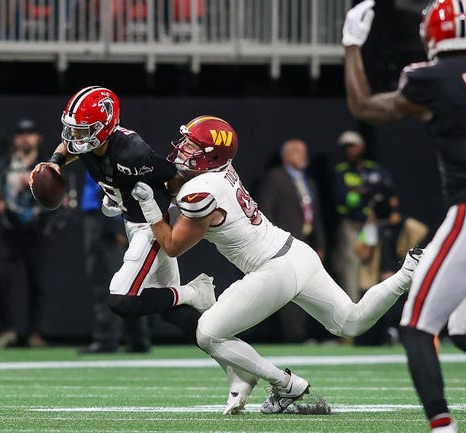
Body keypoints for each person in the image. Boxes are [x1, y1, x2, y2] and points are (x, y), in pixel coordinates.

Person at [130, 114, 423, 415]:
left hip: (273, 268)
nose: (181, 149)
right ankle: (407, 274)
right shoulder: (219, 172)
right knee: (351, 321)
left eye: (191, 146)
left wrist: (147, 205)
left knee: (208, 333)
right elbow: (178, 183)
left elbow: (173, 245)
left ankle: (284, 383)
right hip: (296, 252)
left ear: (210, 155)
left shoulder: (202, 190)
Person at [30, 86, 258, 410]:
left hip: (150, 226)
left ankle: (195, 291)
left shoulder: (132, 152)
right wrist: (54, 163)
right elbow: (68, 146)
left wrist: (165, 211)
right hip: (132, 219)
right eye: (74, 129)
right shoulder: (88, 140)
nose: (75, 137)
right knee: (174, 313)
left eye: (83, 131)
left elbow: (173, 178)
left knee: (123, 299)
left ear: (104, 127)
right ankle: (241, 372)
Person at [342, 1, 466, 431]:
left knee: (417, 327)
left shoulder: (429, 79)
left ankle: (442, 427)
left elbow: (365, 108)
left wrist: (351, 46)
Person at [0, 118, 59, 349]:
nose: (25, 137)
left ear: (38, 137)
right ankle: (7, 330)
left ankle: (36, 332)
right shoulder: (6, 164)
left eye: (30, 133)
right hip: (12, 230)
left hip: (38, 230)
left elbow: (60, 193)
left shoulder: (47, 164)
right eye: (21, 133)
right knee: (4, 280)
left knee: (38, 282)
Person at [256, 138, 326, 343]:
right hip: (284, 242)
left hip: (307, 241)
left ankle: (305, 332)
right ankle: (293, 335)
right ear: (285, 155)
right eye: (297, 151)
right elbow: (265, 210)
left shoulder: (309, 181)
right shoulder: (275, 178)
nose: (303, 155)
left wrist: (320, 243)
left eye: (304, 151)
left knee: (307, 287)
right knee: (288, 288)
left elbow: (316, 215)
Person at [78, 172, 151, 354]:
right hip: (113, 215)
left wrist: (114, 225)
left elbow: (108, 184)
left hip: (103, 218)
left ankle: (106, 339)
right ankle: (138, 338)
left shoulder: (104, 149)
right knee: (129, 278)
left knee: (104, 280)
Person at [353, 185, 429, 346]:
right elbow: (363, 253)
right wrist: (371, 223)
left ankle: (394, 333)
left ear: (394, 202)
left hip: (406, 287)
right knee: (364, 338)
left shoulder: (410, 227)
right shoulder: (373, 226)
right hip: (375, 285)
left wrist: (397, 273)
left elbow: (422, 256)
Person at [332, 130, 397, 303]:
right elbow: (343, 198)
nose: (350, 151)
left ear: (362, 147)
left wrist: (364, 192)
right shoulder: (342, 172)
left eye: (353, 147)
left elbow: (388, 194)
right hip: (352, 225)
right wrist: (365, 193)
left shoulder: (375, 169)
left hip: (373, 225)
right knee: (351, 266)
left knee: (375, 265)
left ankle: (377, 312)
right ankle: (351, 308)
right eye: (346, 148)